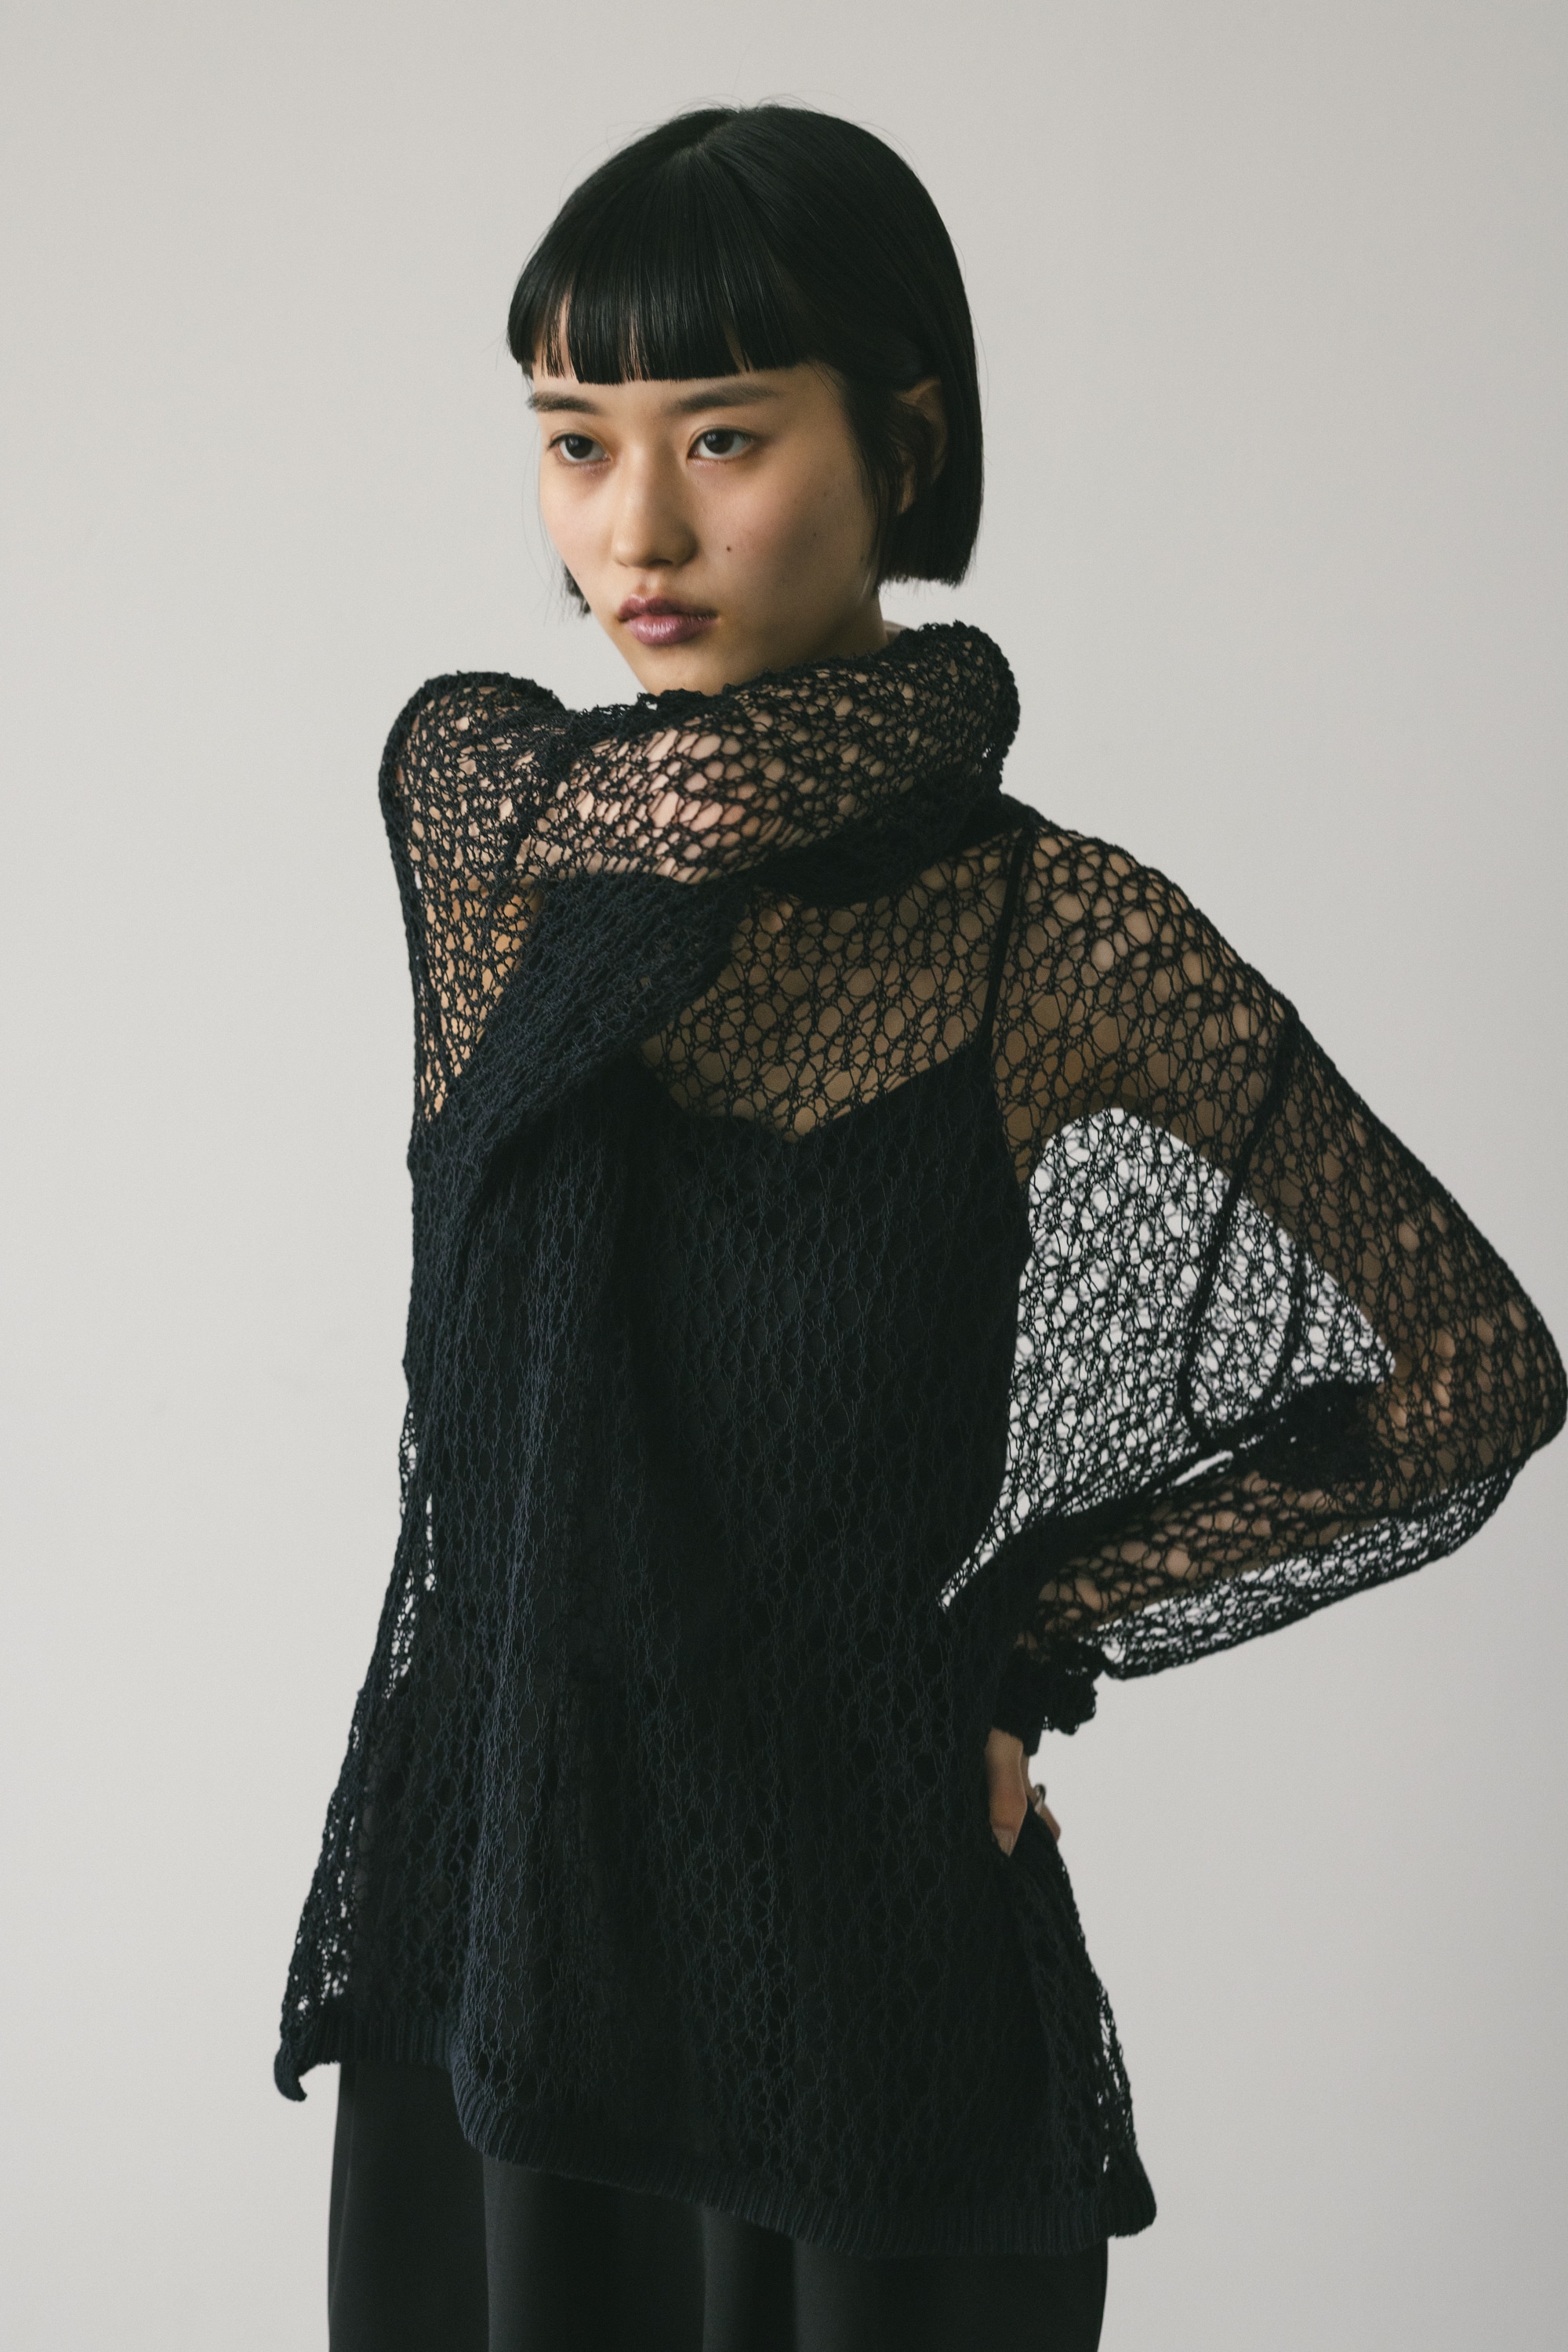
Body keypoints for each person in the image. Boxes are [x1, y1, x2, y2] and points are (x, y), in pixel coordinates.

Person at [276, 105, 1565, 2352]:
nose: (633, 529)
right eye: (573, 443)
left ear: (905, 441)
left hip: (845, 1976)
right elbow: (692, 823)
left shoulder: (1051, 934)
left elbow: (1470, 1371)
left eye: (723, 437)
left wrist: (1028, 1638)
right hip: (493, 1941)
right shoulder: (489, 821)